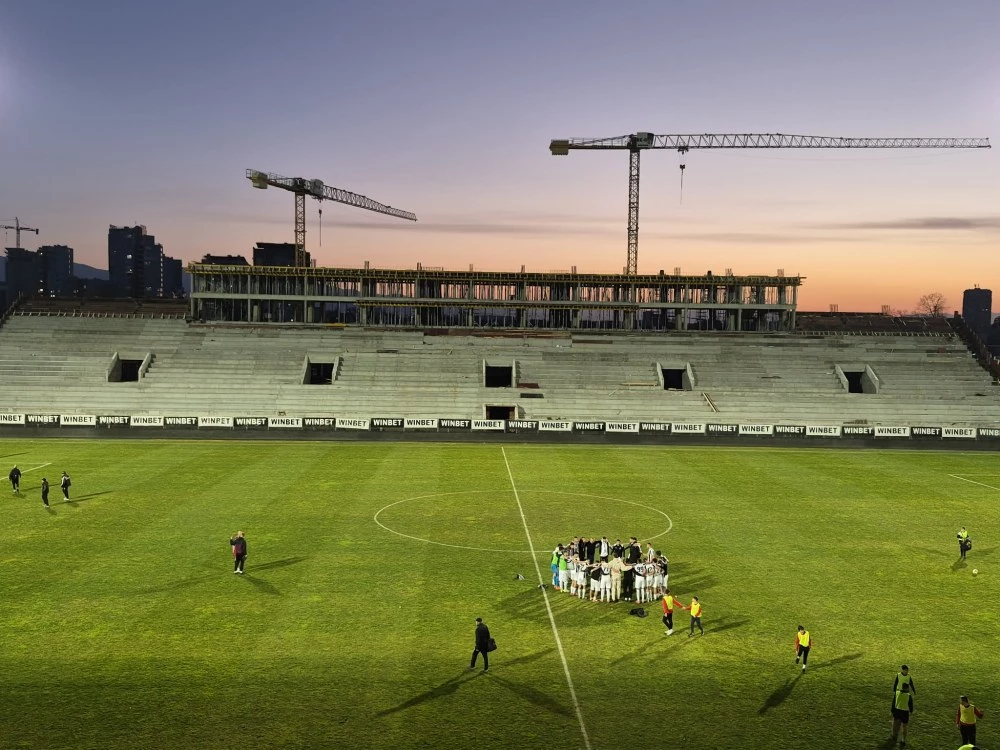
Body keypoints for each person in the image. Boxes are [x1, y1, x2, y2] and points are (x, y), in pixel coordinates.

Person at [891, 682, 914, 747]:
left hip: (897, 711)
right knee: (904, 726)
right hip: (904, 712)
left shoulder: (897, 693)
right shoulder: (908, 696)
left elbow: (893, 702)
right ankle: (903, 740)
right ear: (907, 688)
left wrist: (892, 710)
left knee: (895, 723)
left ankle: (894, 735)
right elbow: (911, 706)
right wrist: (911, 711)